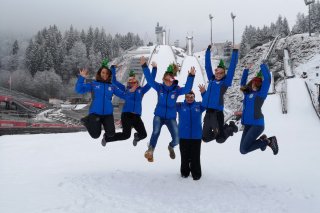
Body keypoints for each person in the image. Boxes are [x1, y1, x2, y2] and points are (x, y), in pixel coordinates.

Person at [140, 56, 195, 162]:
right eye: (166, 80)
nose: (168, 82)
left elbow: (187, 89)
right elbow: (150, 81)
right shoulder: (159, 87)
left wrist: (191, 76)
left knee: (177, 138)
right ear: (163, 79)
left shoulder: (176, 90)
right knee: (156, 131)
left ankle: (171, 146)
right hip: (159, 115)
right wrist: (144, 66)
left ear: (173, 80)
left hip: (170, 117)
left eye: (170, 80)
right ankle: (150, 150)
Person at [101, 65, 157, 146]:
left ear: (137, 82)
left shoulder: (141, 90)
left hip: (136, 116)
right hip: (126, 115)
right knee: (126, 135)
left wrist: (154, 69)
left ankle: (137, 136)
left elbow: (151, 82)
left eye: (134, 82)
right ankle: (107, 137)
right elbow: (114, 81)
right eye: (130, 83)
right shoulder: (125, 89)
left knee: (143, 135)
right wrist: (113, 69)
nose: (132, 84)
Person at [235, 62, 279, 155]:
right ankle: (263, 141)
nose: (255, 85)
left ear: (261, 86)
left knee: (244, 150)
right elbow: (242, 83)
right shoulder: (247, 94)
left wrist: (263, 65)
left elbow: (267, 79)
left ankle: (268, 141)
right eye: (254, 83)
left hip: (257, 125)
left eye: (258, 84)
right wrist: (246, 70)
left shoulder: (260, 95)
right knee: (242, 150)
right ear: (252, 83)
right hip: (248, 125)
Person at [75, 59, 124, 142]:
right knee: (95, 135)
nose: (105, 75)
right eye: (103, 72)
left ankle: (104, 132)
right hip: (95, 113)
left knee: (111, 134)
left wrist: (132, 92)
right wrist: (81, 78)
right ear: (99, 73)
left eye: (107, 73)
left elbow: (123, 95)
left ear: (109, 75)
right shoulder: (94, 84)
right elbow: (79, 90)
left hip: (108, 114)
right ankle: (86, 120)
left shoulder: (112, 86)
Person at [201, 45, 239, 143]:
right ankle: (222, 129)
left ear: (224, 74)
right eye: (217, 72)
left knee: (220, 139)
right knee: (205, 138)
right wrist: (208, 51)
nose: (218, 74)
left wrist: (235, 51)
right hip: (208, 113)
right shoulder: (211, 79)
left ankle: (231, 127)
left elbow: (232, 68)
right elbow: (207, 66)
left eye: (221, 73)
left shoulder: (224, 83)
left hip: (217, 114)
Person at [177, 89, 206, 180]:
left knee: (195, 156)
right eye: (187, 97)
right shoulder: (180, 105)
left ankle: (196, 173)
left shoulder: (199, 105)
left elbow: (207, 102)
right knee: (184, 155)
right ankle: (184, 172)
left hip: (196, 136)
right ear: (185, 97)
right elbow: (170, 102)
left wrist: (203, 93)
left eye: (191, 97)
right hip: (183, 136)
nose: (189, 98)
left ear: (194, 97)